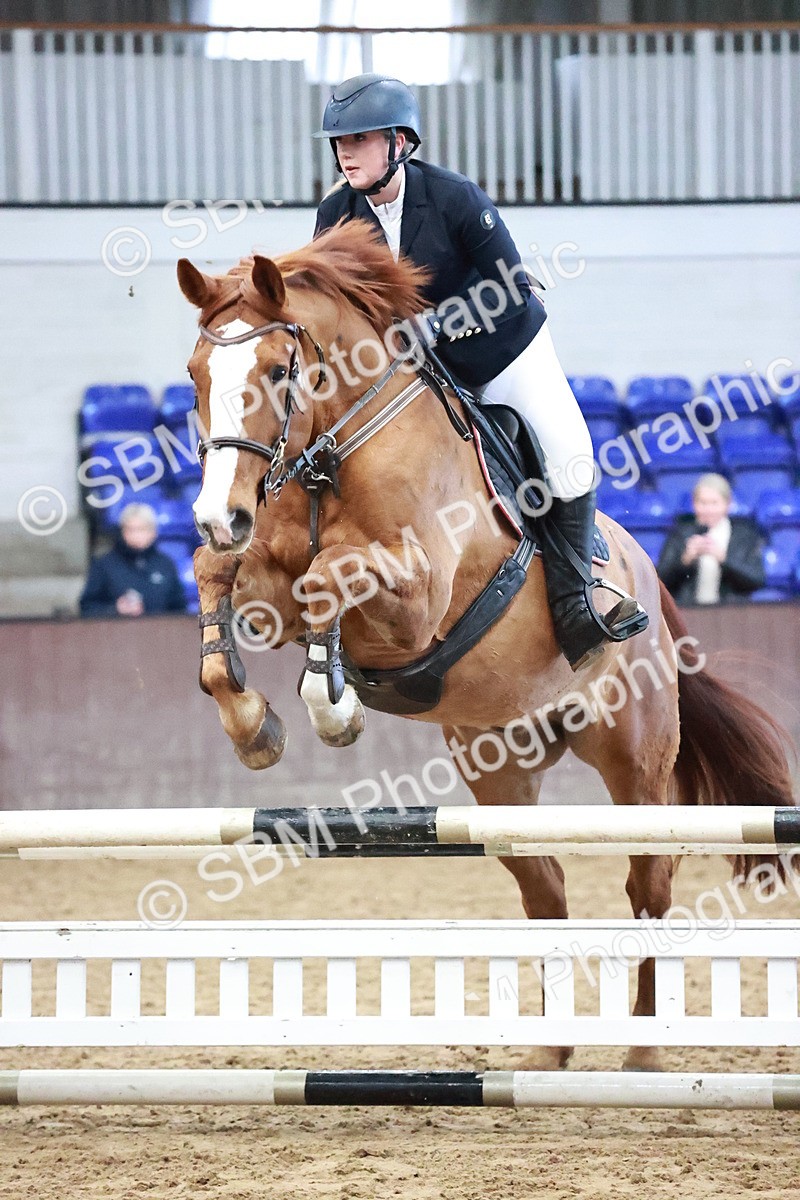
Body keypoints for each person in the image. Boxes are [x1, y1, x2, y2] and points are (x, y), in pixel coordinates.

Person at [312, 73, 647, 671]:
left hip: (502, 352)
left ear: (399, 143)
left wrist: (438, 325)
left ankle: (577, 604)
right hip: (421, 378)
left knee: (568, 454)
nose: (345, 150)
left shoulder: (453, 197)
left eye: (360, 138)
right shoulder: (336, 213)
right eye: (339, 140)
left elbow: (511, 284)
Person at [657, 474, 765, 605]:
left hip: (732, 613)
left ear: (728, 504)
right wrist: (685, 560)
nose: (708, 510)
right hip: (688, 612)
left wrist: (724, 559)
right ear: (694, 503)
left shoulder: (744, 535)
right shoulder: (680, 534)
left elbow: (757, 579)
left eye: (714, 503)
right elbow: (660, 580)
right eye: (702, 503)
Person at [79, 502, 186, 617]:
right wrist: (115, 609)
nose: (136, 535)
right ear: (122, 532)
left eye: (141, 529)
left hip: (158, 632)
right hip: (115, 632)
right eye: (130, 529)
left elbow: (179, 609)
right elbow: (86, 608)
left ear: (153, 532)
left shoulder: (165, 564)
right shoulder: (104, 565)